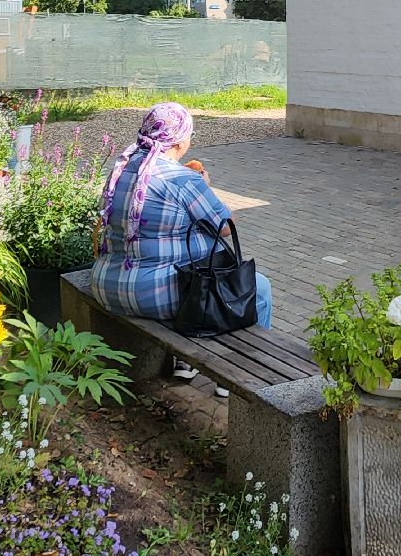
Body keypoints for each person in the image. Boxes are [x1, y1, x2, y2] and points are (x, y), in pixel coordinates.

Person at [91, 102, 273, 397]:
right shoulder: (183, 179)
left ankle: (185, 363)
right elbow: (225, 226)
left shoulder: (121, 168)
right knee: (257, 289)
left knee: (184, 260)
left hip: (106, 285)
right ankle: (239, 374)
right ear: (179, 141)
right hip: (149, 295)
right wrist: (205, 186)